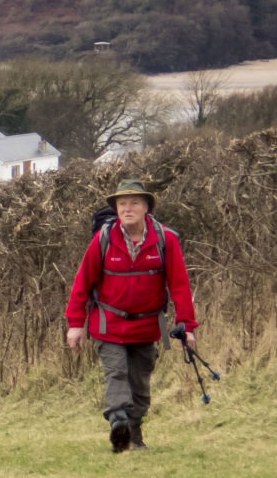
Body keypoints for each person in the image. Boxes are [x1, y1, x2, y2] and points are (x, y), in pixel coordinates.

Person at [65, 179, 197, 453]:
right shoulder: (103, 239)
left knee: (139, 382)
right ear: (116, 208)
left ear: (146, 207)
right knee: (116, 373)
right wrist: (75, 325)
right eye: (122, 203)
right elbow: (82, 284)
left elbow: (180, 286)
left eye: (134, 202)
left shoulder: (165, 240)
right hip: (108, 324)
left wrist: (188, 327)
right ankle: (118, 421)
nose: (127, 208)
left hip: (148, 326)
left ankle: (133, 435)